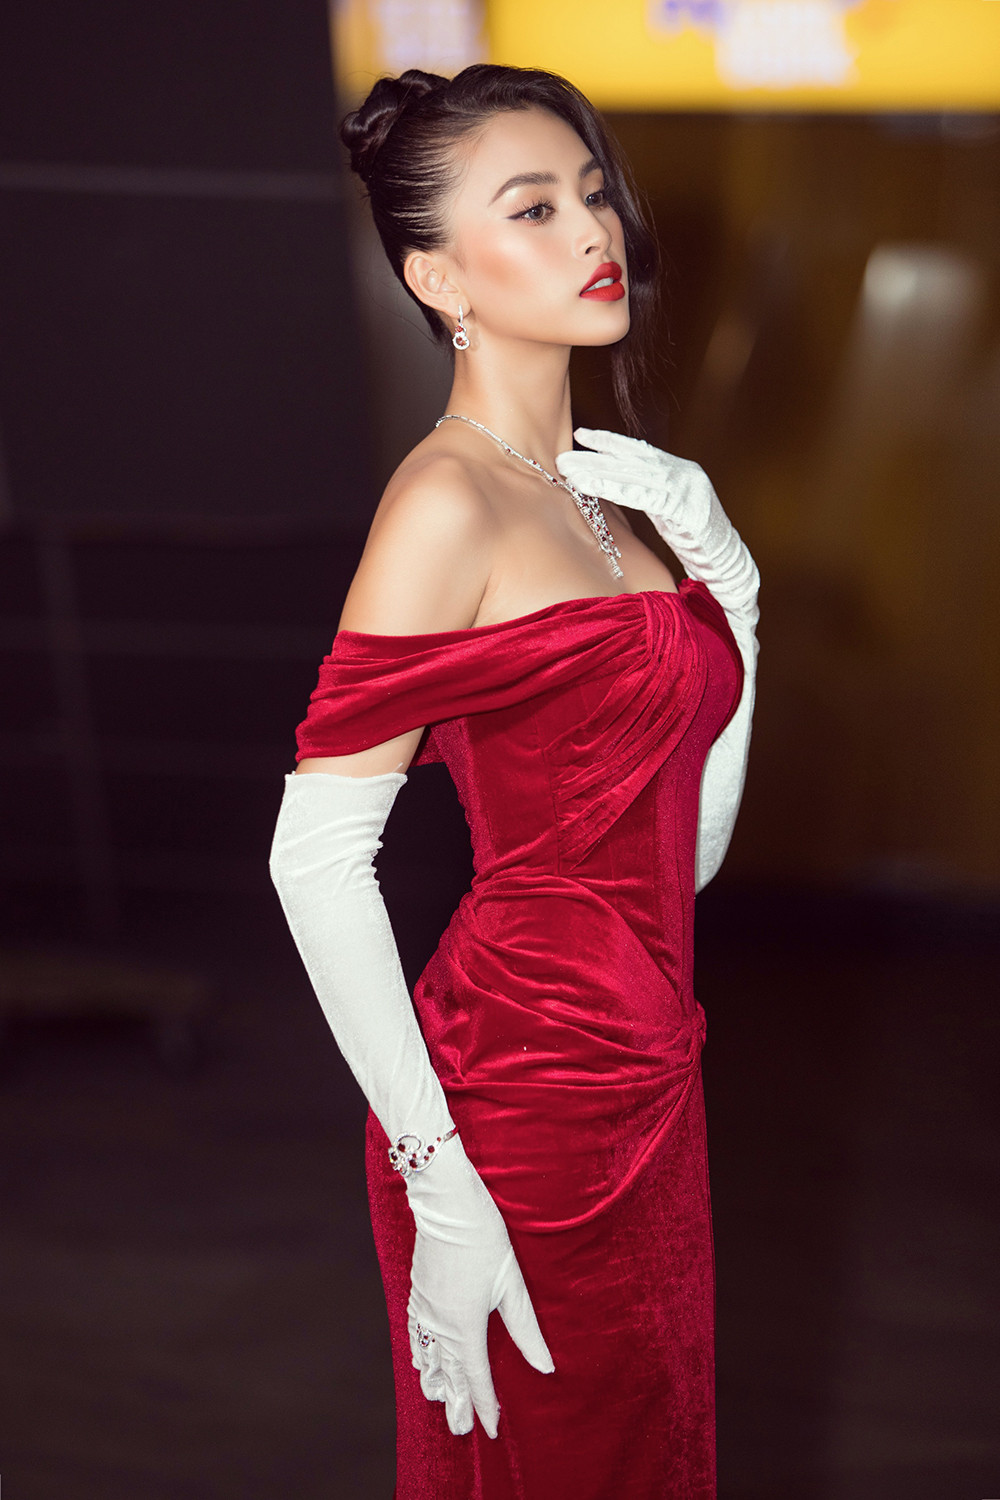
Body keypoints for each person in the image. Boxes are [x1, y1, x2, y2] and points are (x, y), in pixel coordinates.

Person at [269, 63, 759, 1500]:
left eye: (592, 194)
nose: (593, 229)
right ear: (438, 277)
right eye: (533, 207)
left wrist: (734, 588)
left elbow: (683, 857)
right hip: (515, 1105)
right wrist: (438, 1179)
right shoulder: (447, 499)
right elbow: (314, 856)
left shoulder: (618, 498)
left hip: (650, 1074)